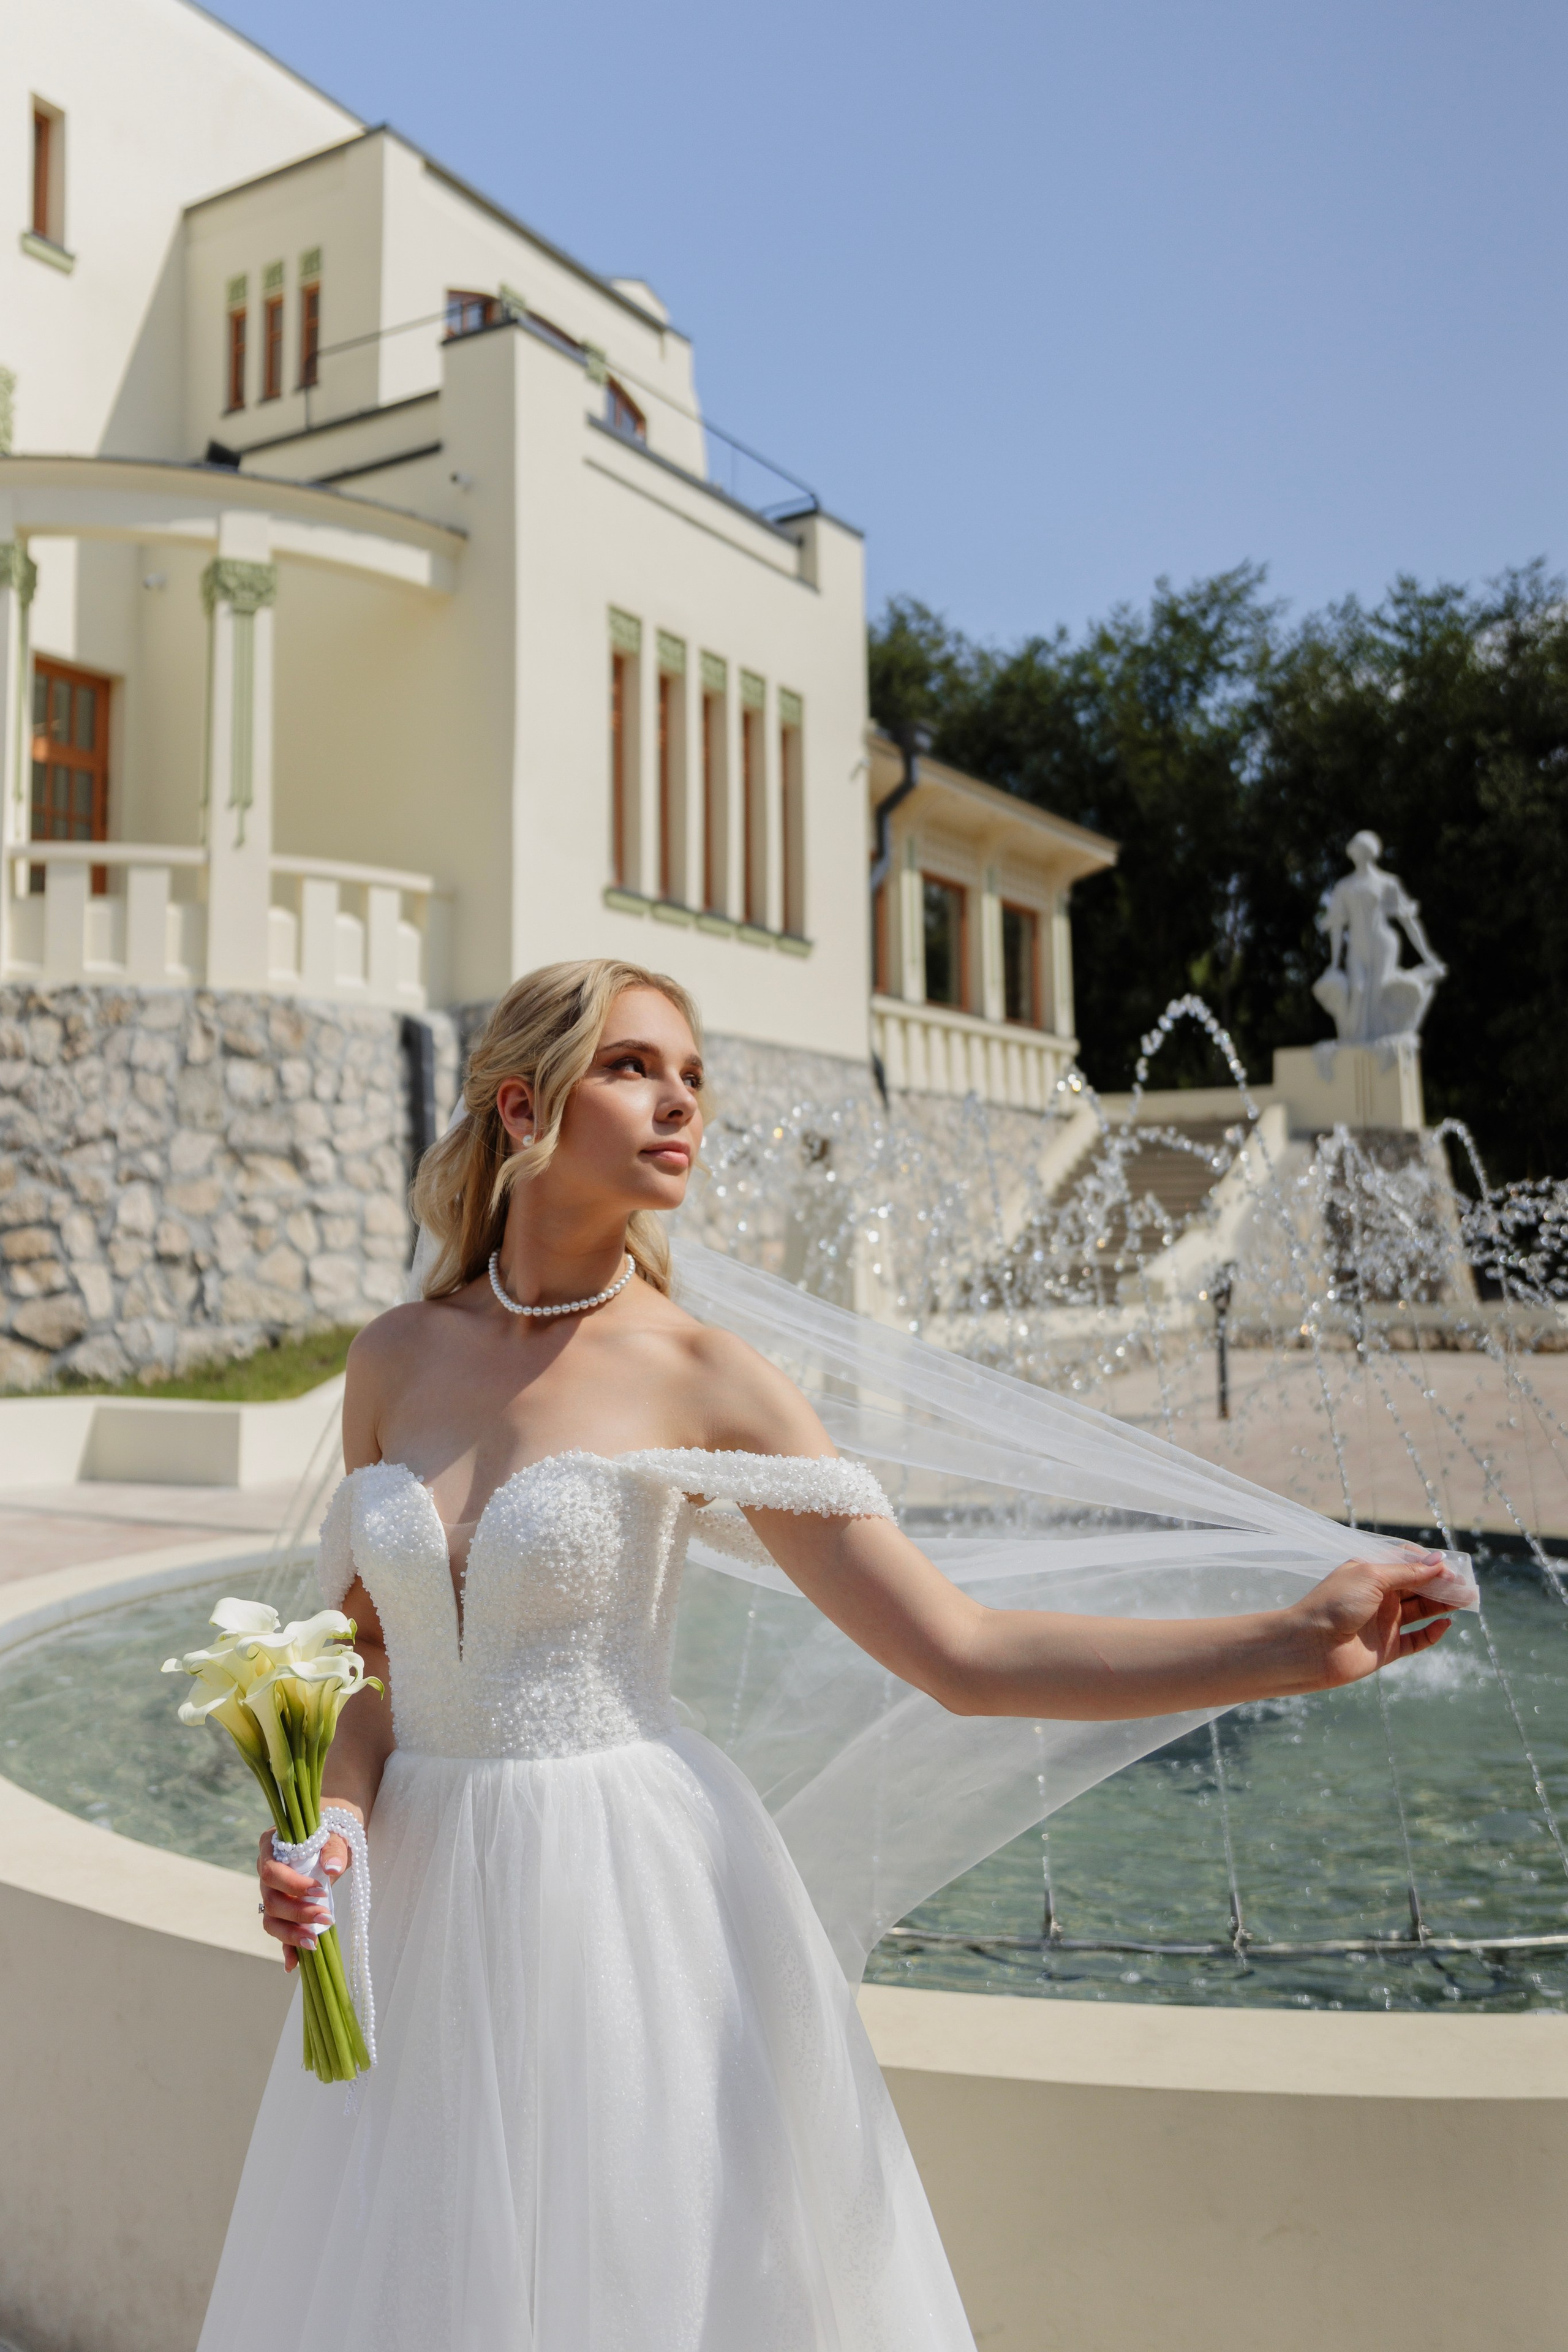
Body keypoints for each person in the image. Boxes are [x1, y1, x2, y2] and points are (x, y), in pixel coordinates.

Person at [203, 957, 1456, 2352]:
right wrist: (326, 1825)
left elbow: (960, 1649)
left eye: (691, 1077)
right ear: (522, 1102)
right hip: (419, 1919)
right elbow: (362, 1668)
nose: (679, 1100)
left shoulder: (706, 1375)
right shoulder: (393, 1358)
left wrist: (1287, 1641)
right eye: (634, 1067)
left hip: (620, 1907)